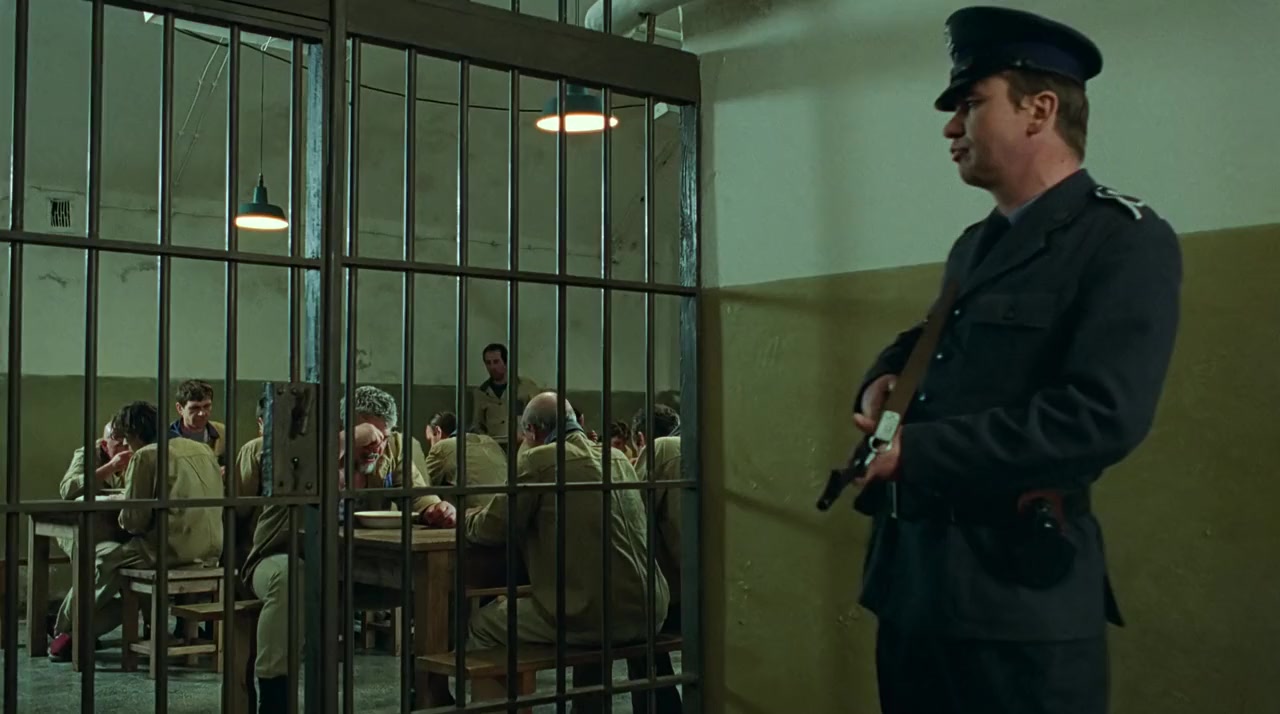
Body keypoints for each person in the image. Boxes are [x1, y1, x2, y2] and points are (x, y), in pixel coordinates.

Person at [848, 8, 1182, 714]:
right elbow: (935, 338)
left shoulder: (1122, 240)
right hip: (916, 588)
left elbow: (1101, 417)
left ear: (1040, 110)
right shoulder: (977, 244)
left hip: (1018, 606)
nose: (951, 127)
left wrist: (917, 452)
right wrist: (883, 376)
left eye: (970, 104)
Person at [463, 393, 667, 712]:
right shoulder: (617, 458)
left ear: (531, 432)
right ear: (579, 422)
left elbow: (492, 528)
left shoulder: (538, 461)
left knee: (483, 624)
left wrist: (464, 517)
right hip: (651, 608)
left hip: (595, 619)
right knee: (588, 597)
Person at [49, 401, 224, 661]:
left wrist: (126, 514)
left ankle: (63, 629)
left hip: (171, 549)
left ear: (135, 435)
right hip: (211, 548)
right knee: (116, 563)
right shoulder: (202, 449)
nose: (126, 445)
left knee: (103, 561)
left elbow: (134, 521)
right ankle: (80, 630)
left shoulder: (147, 455)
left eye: (127, 439)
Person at [422, 411, 507, 509]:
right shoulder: (490, 441)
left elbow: (421, 487)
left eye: (430, 440)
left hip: (477, 514)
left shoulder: (442, 447)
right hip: (508, 510)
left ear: (438, 431)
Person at [470, 343, 542, 450]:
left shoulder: (526, 387)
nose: (492, 367)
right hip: (494, 446)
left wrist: (527, 437)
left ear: (506, 362)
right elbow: (477, 425)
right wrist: (485, 440)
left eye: (496, 362)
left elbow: (539, 417)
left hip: (522, 445)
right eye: (488, 363)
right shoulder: (481, 393)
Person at [169, 379, 228, 467]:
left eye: (206, 406)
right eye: (195, 408)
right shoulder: (167, 437)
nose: (202, 413)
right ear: (180, 408)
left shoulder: (222, 433)